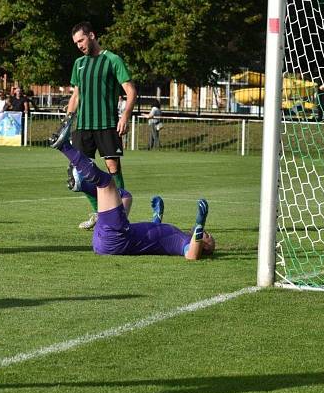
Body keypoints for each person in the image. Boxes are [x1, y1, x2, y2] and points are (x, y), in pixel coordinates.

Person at [49, 119, 214, 259]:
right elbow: (151, 238)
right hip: (112, 238)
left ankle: (64, 147)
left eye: (209, 237)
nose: (207, 233)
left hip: (116, 239)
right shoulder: (179, 237)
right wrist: (157, 217)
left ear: (204, 246)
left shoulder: (184, 243)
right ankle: (83, 185)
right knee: (125, 195)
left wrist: (200, 223)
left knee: (106, 182)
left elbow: (191, 255)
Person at [65, 21, 137, 230]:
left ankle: (121, 213)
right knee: (81, 172)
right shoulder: (79, 63)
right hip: (83, 126)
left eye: (81, 40)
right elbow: (76, 96)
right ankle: (100, 212)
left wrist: (125, 116)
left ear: (92, 35)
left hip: (106, 125)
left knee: (112, 167)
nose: (79, 45)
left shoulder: (112, 60)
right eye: (76, 42)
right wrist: (67, 122)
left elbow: (130, 91)